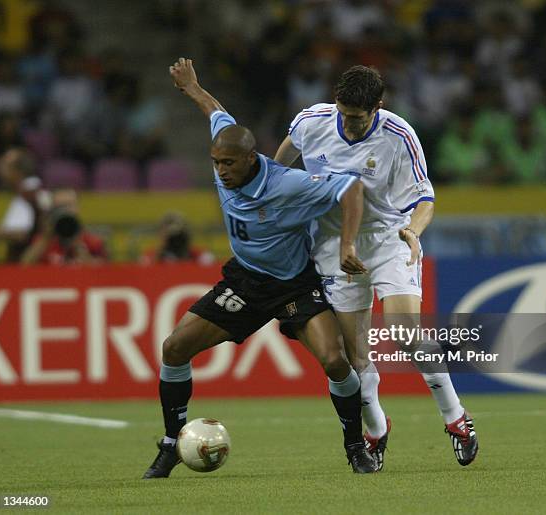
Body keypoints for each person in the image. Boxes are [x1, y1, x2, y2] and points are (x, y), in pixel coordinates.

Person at [143, 57, 377, 479]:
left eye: (228, 164)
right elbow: (215, 112)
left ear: (251, 158)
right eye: (216, 163)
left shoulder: (289, 184)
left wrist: (346, 243)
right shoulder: (226, 150)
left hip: (294, 285)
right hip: (247, 281)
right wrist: (192, 86)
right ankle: (171, 443)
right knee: (174, 348)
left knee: (334, 360)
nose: (221, 172)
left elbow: (352, 188)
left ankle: (356, 448)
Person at [275, 65, 479, 470]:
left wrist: (414, 233)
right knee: (356, 358)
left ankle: (455, 418)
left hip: (388, 240)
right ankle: (375, 428)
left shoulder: (398, 135)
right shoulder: (311, 122)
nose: (349, 124)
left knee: (405, 333)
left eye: (358, 117)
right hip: (334, 247)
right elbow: (279, 167)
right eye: (344, 113)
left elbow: (425, 199)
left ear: (377, 107)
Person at [21, 188, 107, 265]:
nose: (64, 210)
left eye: (68, 205)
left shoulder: (94, 242)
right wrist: (46, 238)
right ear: (52, 209)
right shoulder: (42, 241)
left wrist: (78, 246)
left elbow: (102, 274)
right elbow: (23, 268)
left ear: (77, 207)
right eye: (59, 207)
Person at [0, 148, 50, 262]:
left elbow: (20, 234)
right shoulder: (36, 191)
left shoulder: (27, 195)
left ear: (16, 171)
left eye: (5, 164)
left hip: (28, 266)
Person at [140, 211, 216, 266]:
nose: (176, 241)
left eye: (179, 236)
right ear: (161, 234)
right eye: (172, 237)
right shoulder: (148, 257)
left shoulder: (202, 256)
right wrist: (159, 255)